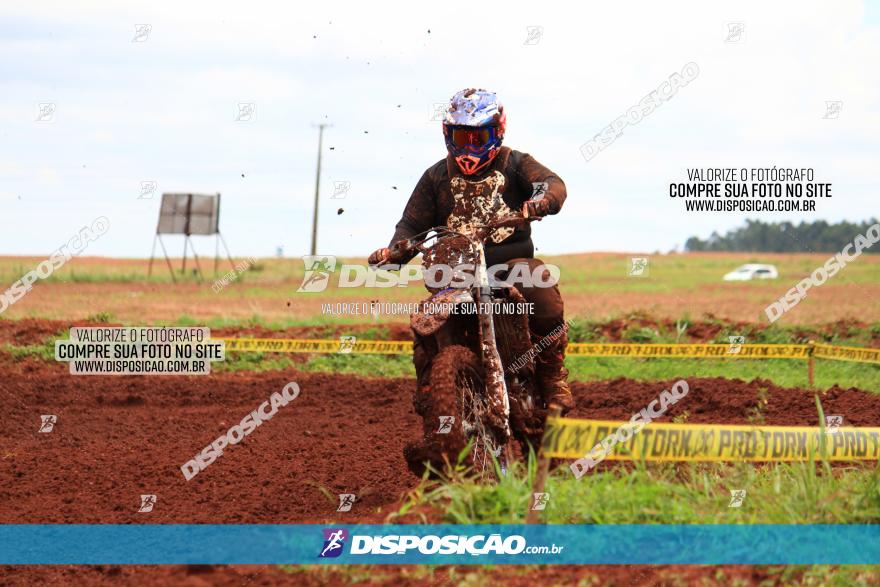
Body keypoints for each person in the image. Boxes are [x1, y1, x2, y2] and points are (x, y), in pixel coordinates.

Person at [368, 88, 574, 413]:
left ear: (498, 131)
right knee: (427, 321)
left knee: (540, 287)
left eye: (480, 138)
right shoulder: (436, 177)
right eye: (463, 137)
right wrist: (394, 251)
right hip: (456, 275)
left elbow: (551, 182)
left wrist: (543, 199)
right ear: (448, 135)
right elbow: (411, 224)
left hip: (509, 266)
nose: (471, 147)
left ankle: (552, 377)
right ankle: (432, 397)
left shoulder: (516, 163)